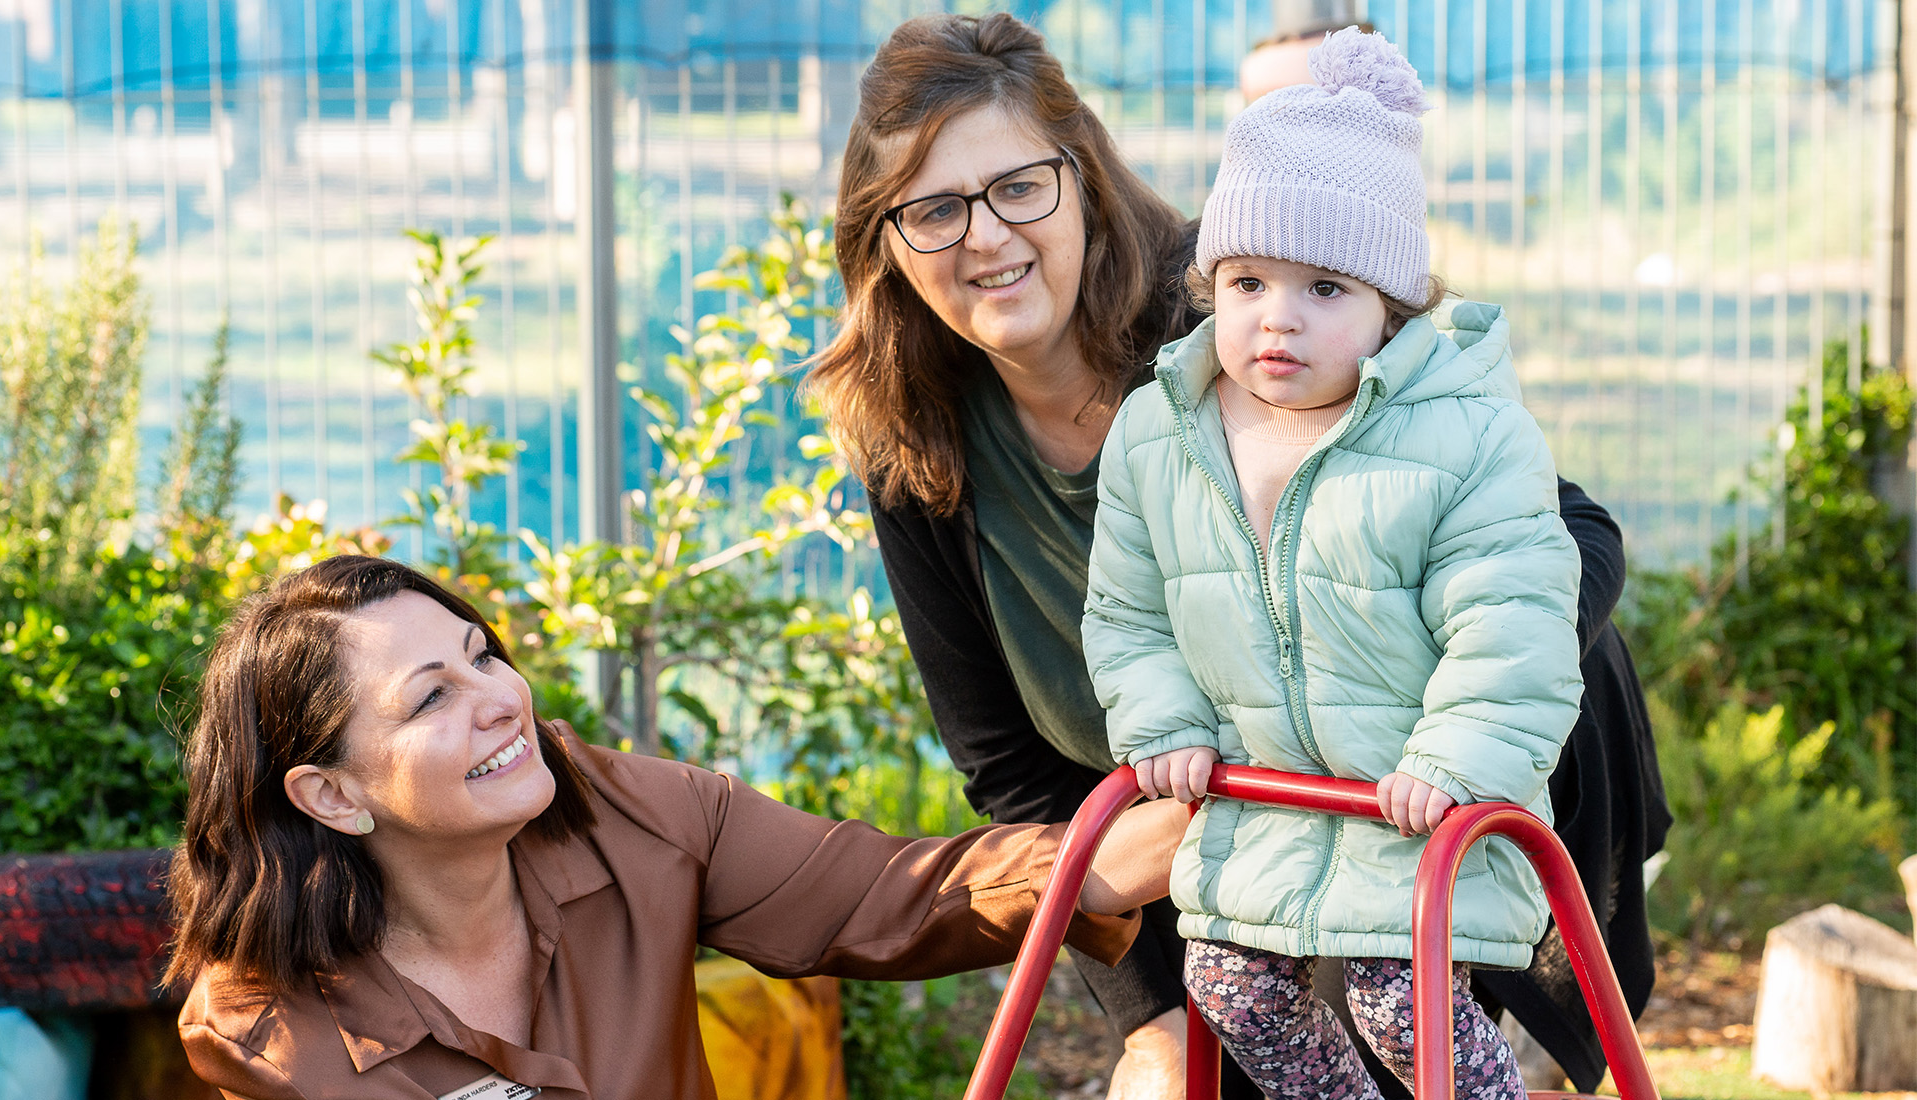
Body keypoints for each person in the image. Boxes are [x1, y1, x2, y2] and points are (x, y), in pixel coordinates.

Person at [809, 12, 1667, 1098]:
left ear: (1079, 177)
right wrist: (1149, 1014)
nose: (983, 236)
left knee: (1412, 1026)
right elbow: (1010, 768)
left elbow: (1566, 532)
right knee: (1235, 1032)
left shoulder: (1247, 302)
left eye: (1016, 186)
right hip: (1238, 847)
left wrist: (1422, 724)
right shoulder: (919, 445)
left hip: (1441, 793)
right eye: (931, 209)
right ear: (882, 239)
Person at [163, 554, 1189, 1100]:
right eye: (430, 695)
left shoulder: (614, 806)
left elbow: (874, 890)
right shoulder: (273, 1029)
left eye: (483, 654)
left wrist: (1092, 863)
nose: (497, 697)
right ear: (331, 795)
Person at [1083, 28, 1576, 1099]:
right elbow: (1126, 613)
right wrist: (1164, 723)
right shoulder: (1160, 435)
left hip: (1422, 811)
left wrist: (1450, 761)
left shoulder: (1462, 436)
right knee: (1224, 978)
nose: (1276, 319)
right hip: (1268, 806)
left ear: (1390, 308)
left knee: (1397, 996)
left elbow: (1514, 624)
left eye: (1323, 288)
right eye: (1248, 279)